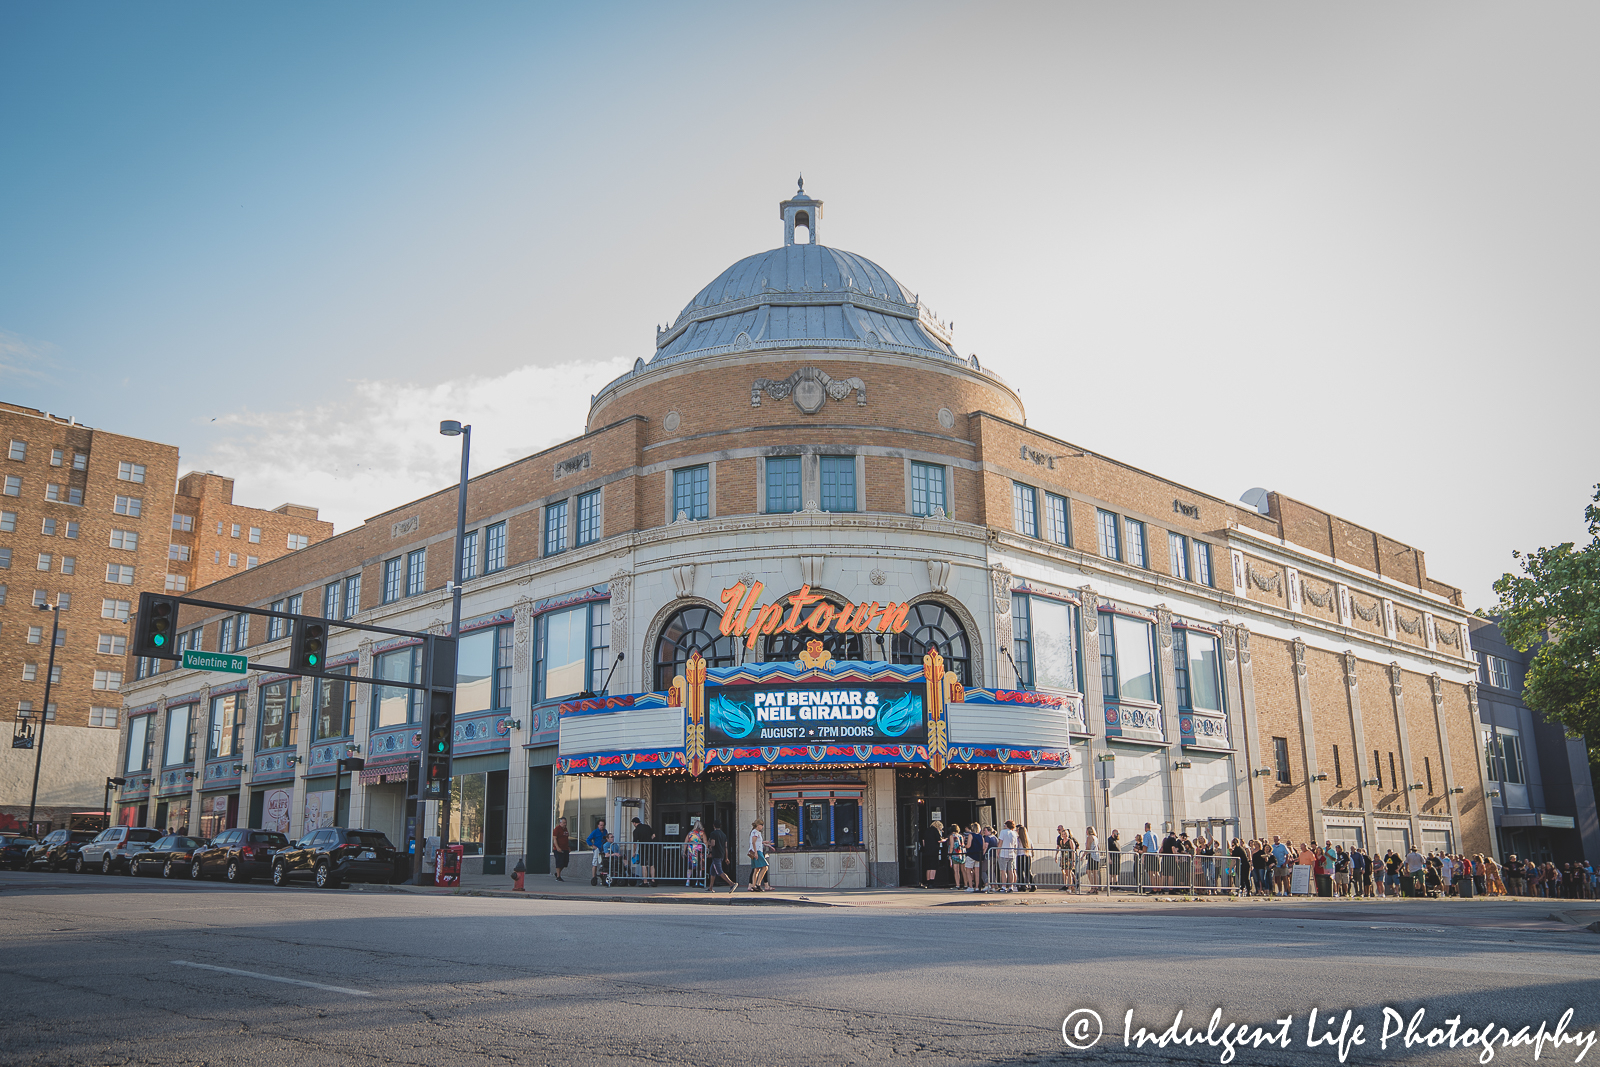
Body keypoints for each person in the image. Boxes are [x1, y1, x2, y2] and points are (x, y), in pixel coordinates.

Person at [706, 820, 736, 893]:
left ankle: (731, 883)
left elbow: (713, 844)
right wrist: (726, 857)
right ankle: (710, 888)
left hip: (716, 855)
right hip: (721, 854)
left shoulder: (713, 833)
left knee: (719, 871)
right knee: (712, 871)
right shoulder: (723, 835)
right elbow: (726, 847)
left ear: (714, 825)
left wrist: (708, 843)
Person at [630, 816, 657, 888]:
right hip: (650, 847)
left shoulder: (636, 831)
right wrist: (650, 840)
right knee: (652, 864)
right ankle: (653, 881)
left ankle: (645, 882)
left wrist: (634, 852)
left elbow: (635, 843)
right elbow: (654, 835)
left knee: (644, 865)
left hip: (643, 848)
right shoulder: (647, 827)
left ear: (634, 823)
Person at [586, 818, 610, 887]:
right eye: (601, 825)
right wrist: (592, 845)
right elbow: (588, 839)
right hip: (597, 849)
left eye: (603, 825)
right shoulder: (595, 832)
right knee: (595, 862)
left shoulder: (605, 831)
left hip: (603, 849)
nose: (602, 826)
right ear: (598, 825)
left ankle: (603, 877)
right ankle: (594, 877)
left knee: (603, 863)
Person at [920, 819, 944, 888]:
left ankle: (927, 882)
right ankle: (932, 881)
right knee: (933, 866)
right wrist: (944, 840)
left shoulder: (927, 830)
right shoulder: (935, 830)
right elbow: (939, 840)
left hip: (927, 851)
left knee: (928, 867)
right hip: (934, 851)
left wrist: (925, 848)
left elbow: (923, 841)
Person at [964, 822, 986, 893]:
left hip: (971, 854)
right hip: (978, 855)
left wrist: (964, 846)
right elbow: (983, 847)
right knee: (977, 872)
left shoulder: (971, 835)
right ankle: (977, 887)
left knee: (968, 871)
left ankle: (970, 886)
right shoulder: (981, 836)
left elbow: (969, 845)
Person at [997, 820, 1019, 892]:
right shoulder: (1014, 833)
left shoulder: (1003, 832)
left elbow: (1000, 842)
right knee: (1011, 871)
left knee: (1003, 871)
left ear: (1006, 825)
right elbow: (1015, 845)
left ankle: (1003, 886)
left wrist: (998, 852)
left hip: (1003, 853)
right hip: (1011, 853)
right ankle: (1011, 886)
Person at [748, 820, 769, 891]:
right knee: (765, 867)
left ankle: (754, 885)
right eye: (761, 825)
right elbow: (753, 842)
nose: (762, 826)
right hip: (757, 851)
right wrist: (756, 853)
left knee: (756, 869)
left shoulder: (755, 832)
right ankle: (758, 884)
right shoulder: (756, 832)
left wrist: (764, 842)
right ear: (758, 825)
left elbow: (756, 842)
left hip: (755, 851)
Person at [684, 821, 707, 888]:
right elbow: (705, 842)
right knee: (699, 868)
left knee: (690, 867)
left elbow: (685, 842)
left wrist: (684, 851)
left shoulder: (690, 833)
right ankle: (698, 881)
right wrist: (706, 850)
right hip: (699, 852)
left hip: (691, 852)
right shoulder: (702, 833)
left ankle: (687, 881)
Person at [551, 816, 573, 881]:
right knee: (559, 862)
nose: (565, 824)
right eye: (563, 823)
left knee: (565, 863)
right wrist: (557, 847)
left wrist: (568, 847)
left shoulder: (565, 829)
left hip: (565, 848)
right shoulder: (557, 829)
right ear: (560, 823)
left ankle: (558, 873)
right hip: (558, 849)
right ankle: (558, 877)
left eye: (565, 822)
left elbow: (566, 839)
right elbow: (554, 839)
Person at [1016, 823, 1036, 892]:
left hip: (1020, 855)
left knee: (1020, 871)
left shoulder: (1018, 839)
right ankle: (1033, 885)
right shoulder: (1028, 839)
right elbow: (1032, 848)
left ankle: (1023, 885)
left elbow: (1015, 847)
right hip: (1028, 856)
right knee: (1027, 871)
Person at [948, 823, 968, 891]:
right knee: (963, 870)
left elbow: (952, 846)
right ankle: (966, 884)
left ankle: (957, 885)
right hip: (962, 854)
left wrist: (950, 854)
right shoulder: (961, 836)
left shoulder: (952, 836)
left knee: (956, 871)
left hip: (955, 854)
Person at [1084, 827, 1101, 894]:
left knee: (1088, 871)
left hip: (1091, 856)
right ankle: (1096, 887)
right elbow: (1098, 847)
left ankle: (1093, 887)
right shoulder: (1096, 838)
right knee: (1095, 872)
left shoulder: (1089, 838)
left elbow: (1088, 848)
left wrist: (1083, 855)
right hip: (1096, 856)